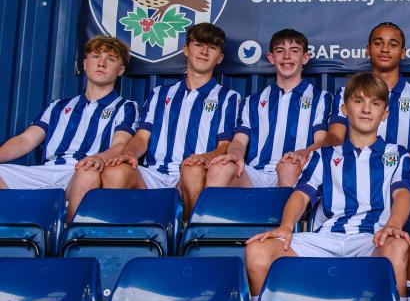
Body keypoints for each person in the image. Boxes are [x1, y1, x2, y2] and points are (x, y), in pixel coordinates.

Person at [245, 73, 410, 295]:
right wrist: (285, 227)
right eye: (358, 101)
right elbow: (301, 195)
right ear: (344, 109)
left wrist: (393, 225)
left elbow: (402, 194)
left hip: (372, 238)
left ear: (385, 114)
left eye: (375, 103)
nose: (366, 109)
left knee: (397, 245)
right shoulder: (324, 156)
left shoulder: (398, 155)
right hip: (326, 238)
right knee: (258, 250)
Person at [101, 23, 239, 218]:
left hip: (193, 173)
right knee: (115, 170)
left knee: (192, 170)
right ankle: (112, 238)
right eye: (199, 45)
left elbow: (225, 145)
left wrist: (205, 158)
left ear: (220, 58)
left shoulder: (228, 97)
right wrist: (130, 154)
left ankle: (192, 236)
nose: (205, 52)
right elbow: (142, 137)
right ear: (186, 49)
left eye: (212, 48)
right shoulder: (160, 94)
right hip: (154, 173)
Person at [0, 35, 138, 219]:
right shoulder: (58, 106)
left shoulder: (126, 107)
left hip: (84, 171)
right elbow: (25, 140)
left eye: (110, 59)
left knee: (87, 173)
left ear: (120, 70)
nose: (102, 63)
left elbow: (120, 146)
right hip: (49, 169)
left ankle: (72, 241)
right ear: (84, 63)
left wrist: (98, 159)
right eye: (96, 56)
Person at [205, 29, 331, 189]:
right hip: (256, 173)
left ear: (305, 58)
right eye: (280, 51)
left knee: (289, 167)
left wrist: (303, 152)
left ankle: (289, 215)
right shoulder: (252, 101)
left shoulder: (320, 98)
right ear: (271, 58)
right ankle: (214, 215)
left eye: (294, 51)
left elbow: (321, 141)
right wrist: (235, 155)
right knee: (219, 169)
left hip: (296, 169)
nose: (287, 56)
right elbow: (239, 141)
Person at [324, 22, 410, 199]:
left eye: (393, 44)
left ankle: (408, 224)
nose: (385, 49)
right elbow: (335, 136)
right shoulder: (346, 93)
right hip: (353, 162)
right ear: (367, 49)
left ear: (403, 52)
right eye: (378, 43)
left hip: (398, 166)